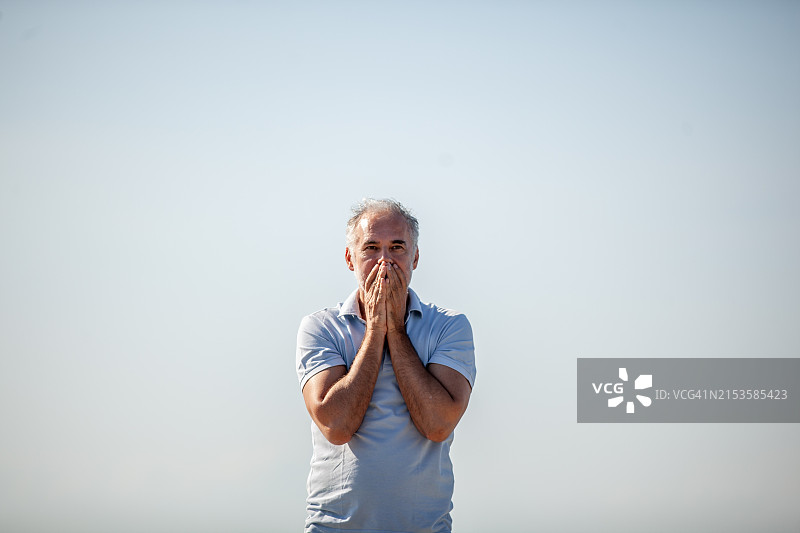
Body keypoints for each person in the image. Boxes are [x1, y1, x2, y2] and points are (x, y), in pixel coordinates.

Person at [296, 198, 476, 533]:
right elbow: (336, 425)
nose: (384, 261)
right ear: (351, 258)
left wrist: (397, 330)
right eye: (371, 248)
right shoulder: (321, 327)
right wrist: (376, 330)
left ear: (415, 258)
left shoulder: (449, 327)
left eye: (397, 247)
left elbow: (438, 425)